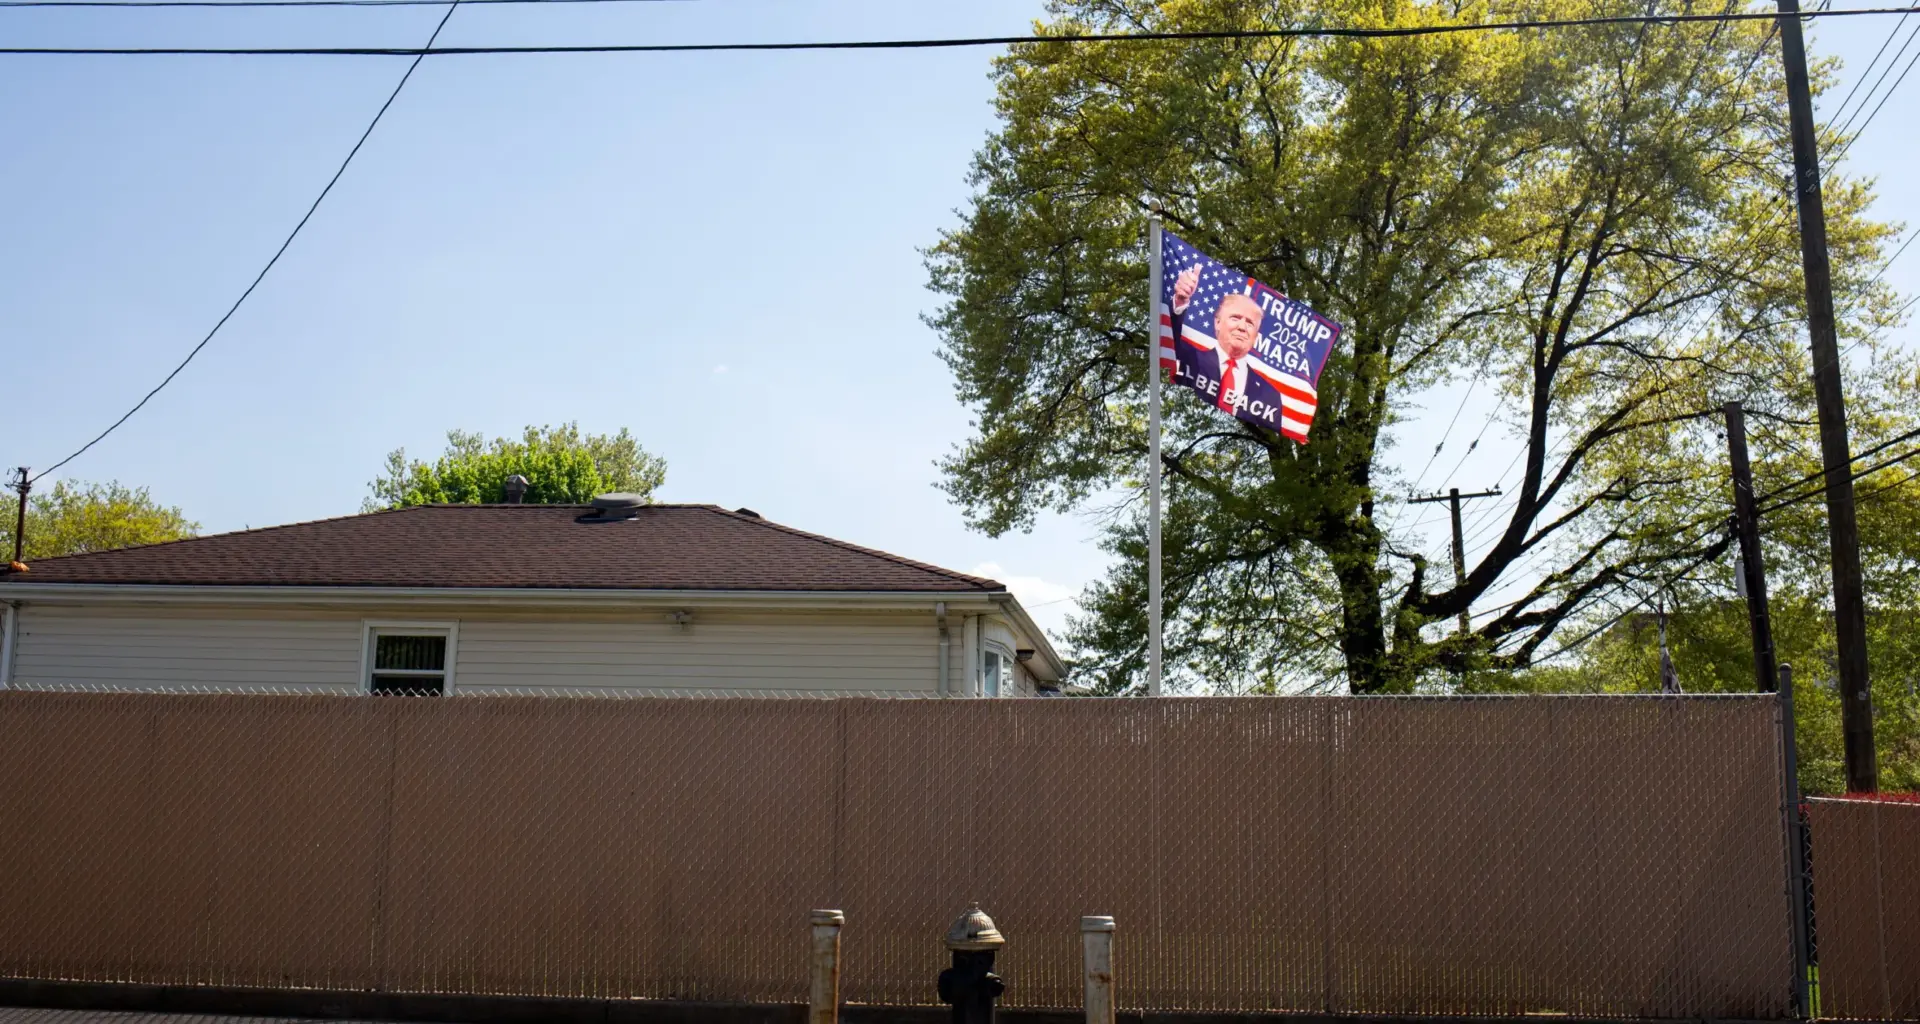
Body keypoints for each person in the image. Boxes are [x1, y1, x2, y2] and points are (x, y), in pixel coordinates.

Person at [1171, 265, 1264, 412]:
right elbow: (1171, 337)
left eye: (1250, 323)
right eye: (1235, 318)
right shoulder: (1191, 356)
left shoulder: (1270, 395)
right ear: (1217, 322)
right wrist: (1180, 301)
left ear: (1256, 337)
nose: (1242, 327)